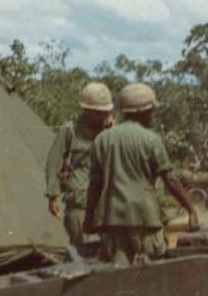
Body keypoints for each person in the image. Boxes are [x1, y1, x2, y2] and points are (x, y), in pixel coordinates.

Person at [85, 83, 199, 265]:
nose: (153, 115)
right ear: (142, 111)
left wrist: (89, 220)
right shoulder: (151, 139)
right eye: (151, 111)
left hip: (113, 222)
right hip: (146, 220)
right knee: (150, 272)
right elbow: (169, 179)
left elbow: (94, 185)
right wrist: (191, 209)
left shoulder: (102, 140)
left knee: (117, 274)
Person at [45, 82, 114, 250]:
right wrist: (53, 196)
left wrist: (113, 132)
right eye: (98, 112)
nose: (102, 116)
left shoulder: (110, 132)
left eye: (105, 112)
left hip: (106, 203)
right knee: (82, 249)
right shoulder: (70, 131)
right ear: (86, 110)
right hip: (78, 203)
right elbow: (53, 164)